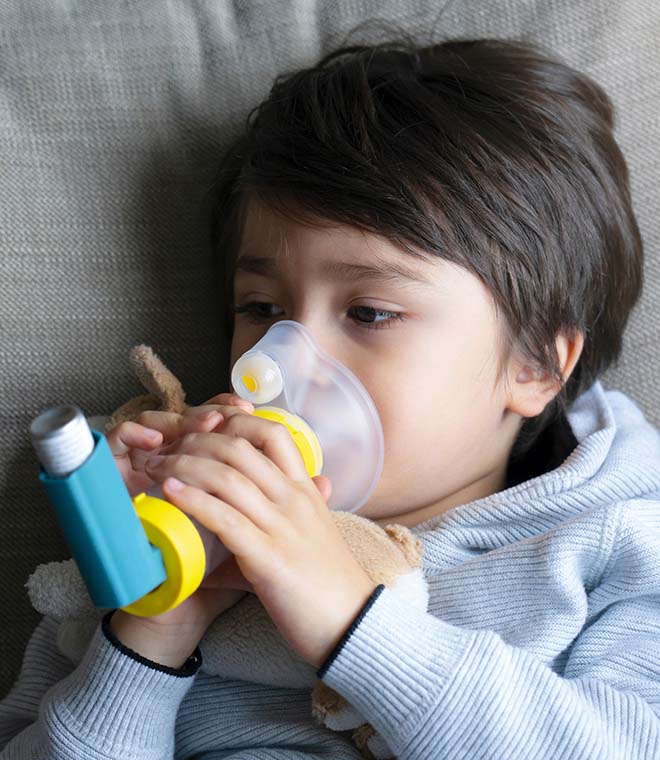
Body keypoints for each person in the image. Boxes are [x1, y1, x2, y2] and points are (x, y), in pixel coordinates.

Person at [2, 32, 659, 760]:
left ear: (535, 364)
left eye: (369, 313)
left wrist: (354, 623)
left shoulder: (615, 545)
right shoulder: (151, 540)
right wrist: (150, 633)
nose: (272, 367)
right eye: (260, 309)